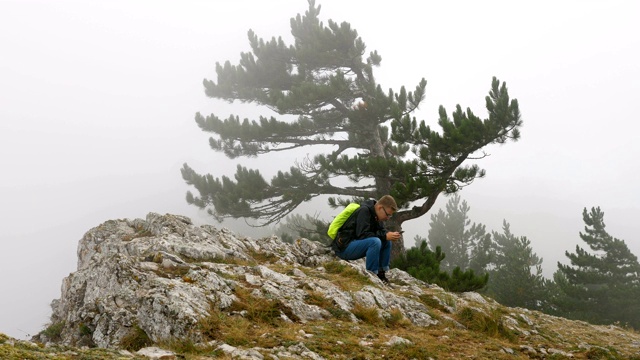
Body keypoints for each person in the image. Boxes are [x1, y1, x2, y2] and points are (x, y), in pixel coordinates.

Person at [332, 195, 402, 283]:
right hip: (344, 248)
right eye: (387, 214)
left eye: (390, 216)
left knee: (386, 241)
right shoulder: (364, 211)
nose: (387, 218)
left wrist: (389, 235)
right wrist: (384, 236)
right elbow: (362, 235)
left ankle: (381, 274)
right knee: (375, 242)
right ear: (380, 208)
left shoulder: (377, 215)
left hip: (355, 245)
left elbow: (381, 231)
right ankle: (371, 275)